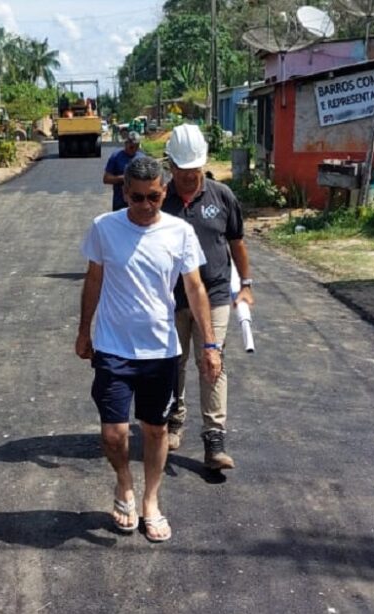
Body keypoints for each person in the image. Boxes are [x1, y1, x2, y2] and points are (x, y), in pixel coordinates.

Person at [77, 156, 222, 543]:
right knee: (113, 433)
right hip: (113, 347)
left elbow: (195, 288)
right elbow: (93, 281)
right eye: (137, 198)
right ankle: (125, 484)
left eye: (154, 197)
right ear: (125, 193)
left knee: (156, 430)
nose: (145, 206)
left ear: (164, 191)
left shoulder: (180, 232)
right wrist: (83, 331)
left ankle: (151, 502)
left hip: (160, 350)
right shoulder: (104, 228)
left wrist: (210, 344)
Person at [162, 123, 253, 471]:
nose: (190, 176)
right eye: (182, 169)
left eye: (195, 168)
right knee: (174, 361)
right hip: (171, 297)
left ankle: (214, 437)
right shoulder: (159, 199)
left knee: (212, 360)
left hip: (213, 294)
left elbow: (236, 243)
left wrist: (246, 284)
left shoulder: (222, 196)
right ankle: (174, 417)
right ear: (170, 165)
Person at [102, 130, 146, 211]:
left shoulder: (142, 158)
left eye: (136, 147)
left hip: (138, 202)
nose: (134, 149)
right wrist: (124, 178)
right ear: (126, 144)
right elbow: (106, 179)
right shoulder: (116, 157)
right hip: (120, 202)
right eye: (131, 147)